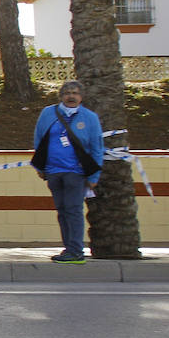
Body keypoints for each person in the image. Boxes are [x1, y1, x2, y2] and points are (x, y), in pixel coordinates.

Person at [31, 80, 104, 264]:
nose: (71, 96)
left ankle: (76, 251)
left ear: (82, 97)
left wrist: (94, 176)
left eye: (76, 93)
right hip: (53, 172)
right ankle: (68, 249)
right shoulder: (48, 113)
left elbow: (97, 147)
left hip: (76, 173)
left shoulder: (90, 118)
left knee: (73, 210)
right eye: (67, 93)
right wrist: (40, 167)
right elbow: (39, 139)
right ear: (61, 96)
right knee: (62, 211)